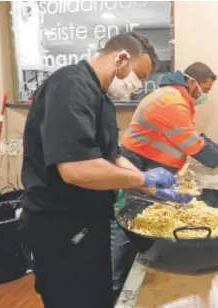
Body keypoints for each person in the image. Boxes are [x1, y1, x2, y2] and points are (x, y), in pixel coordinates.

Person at [19, 32, 190, 308]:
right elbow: (76, 169)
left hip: (89, 223)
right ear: (121, 59)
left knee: (97, 298)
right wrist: (143, 176)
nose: (138, 86)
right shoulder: (70, 86)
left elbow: (111, 156)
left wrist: (150, 187)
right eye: (140, 76)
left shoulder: (100, 98)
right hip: (61, 228)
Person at [111, 62, 218, 293]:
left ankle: (132, 271)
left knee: (144, 220)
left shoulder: (176, 97)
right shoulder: (173, 101)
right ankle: (116, 283)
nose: (205, 96)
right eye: (205, 90)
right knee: (135, 221)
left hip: (149, 161)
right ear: (192, 83)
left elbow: (192, 134)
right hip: (139, 163)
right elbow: (194, 145)